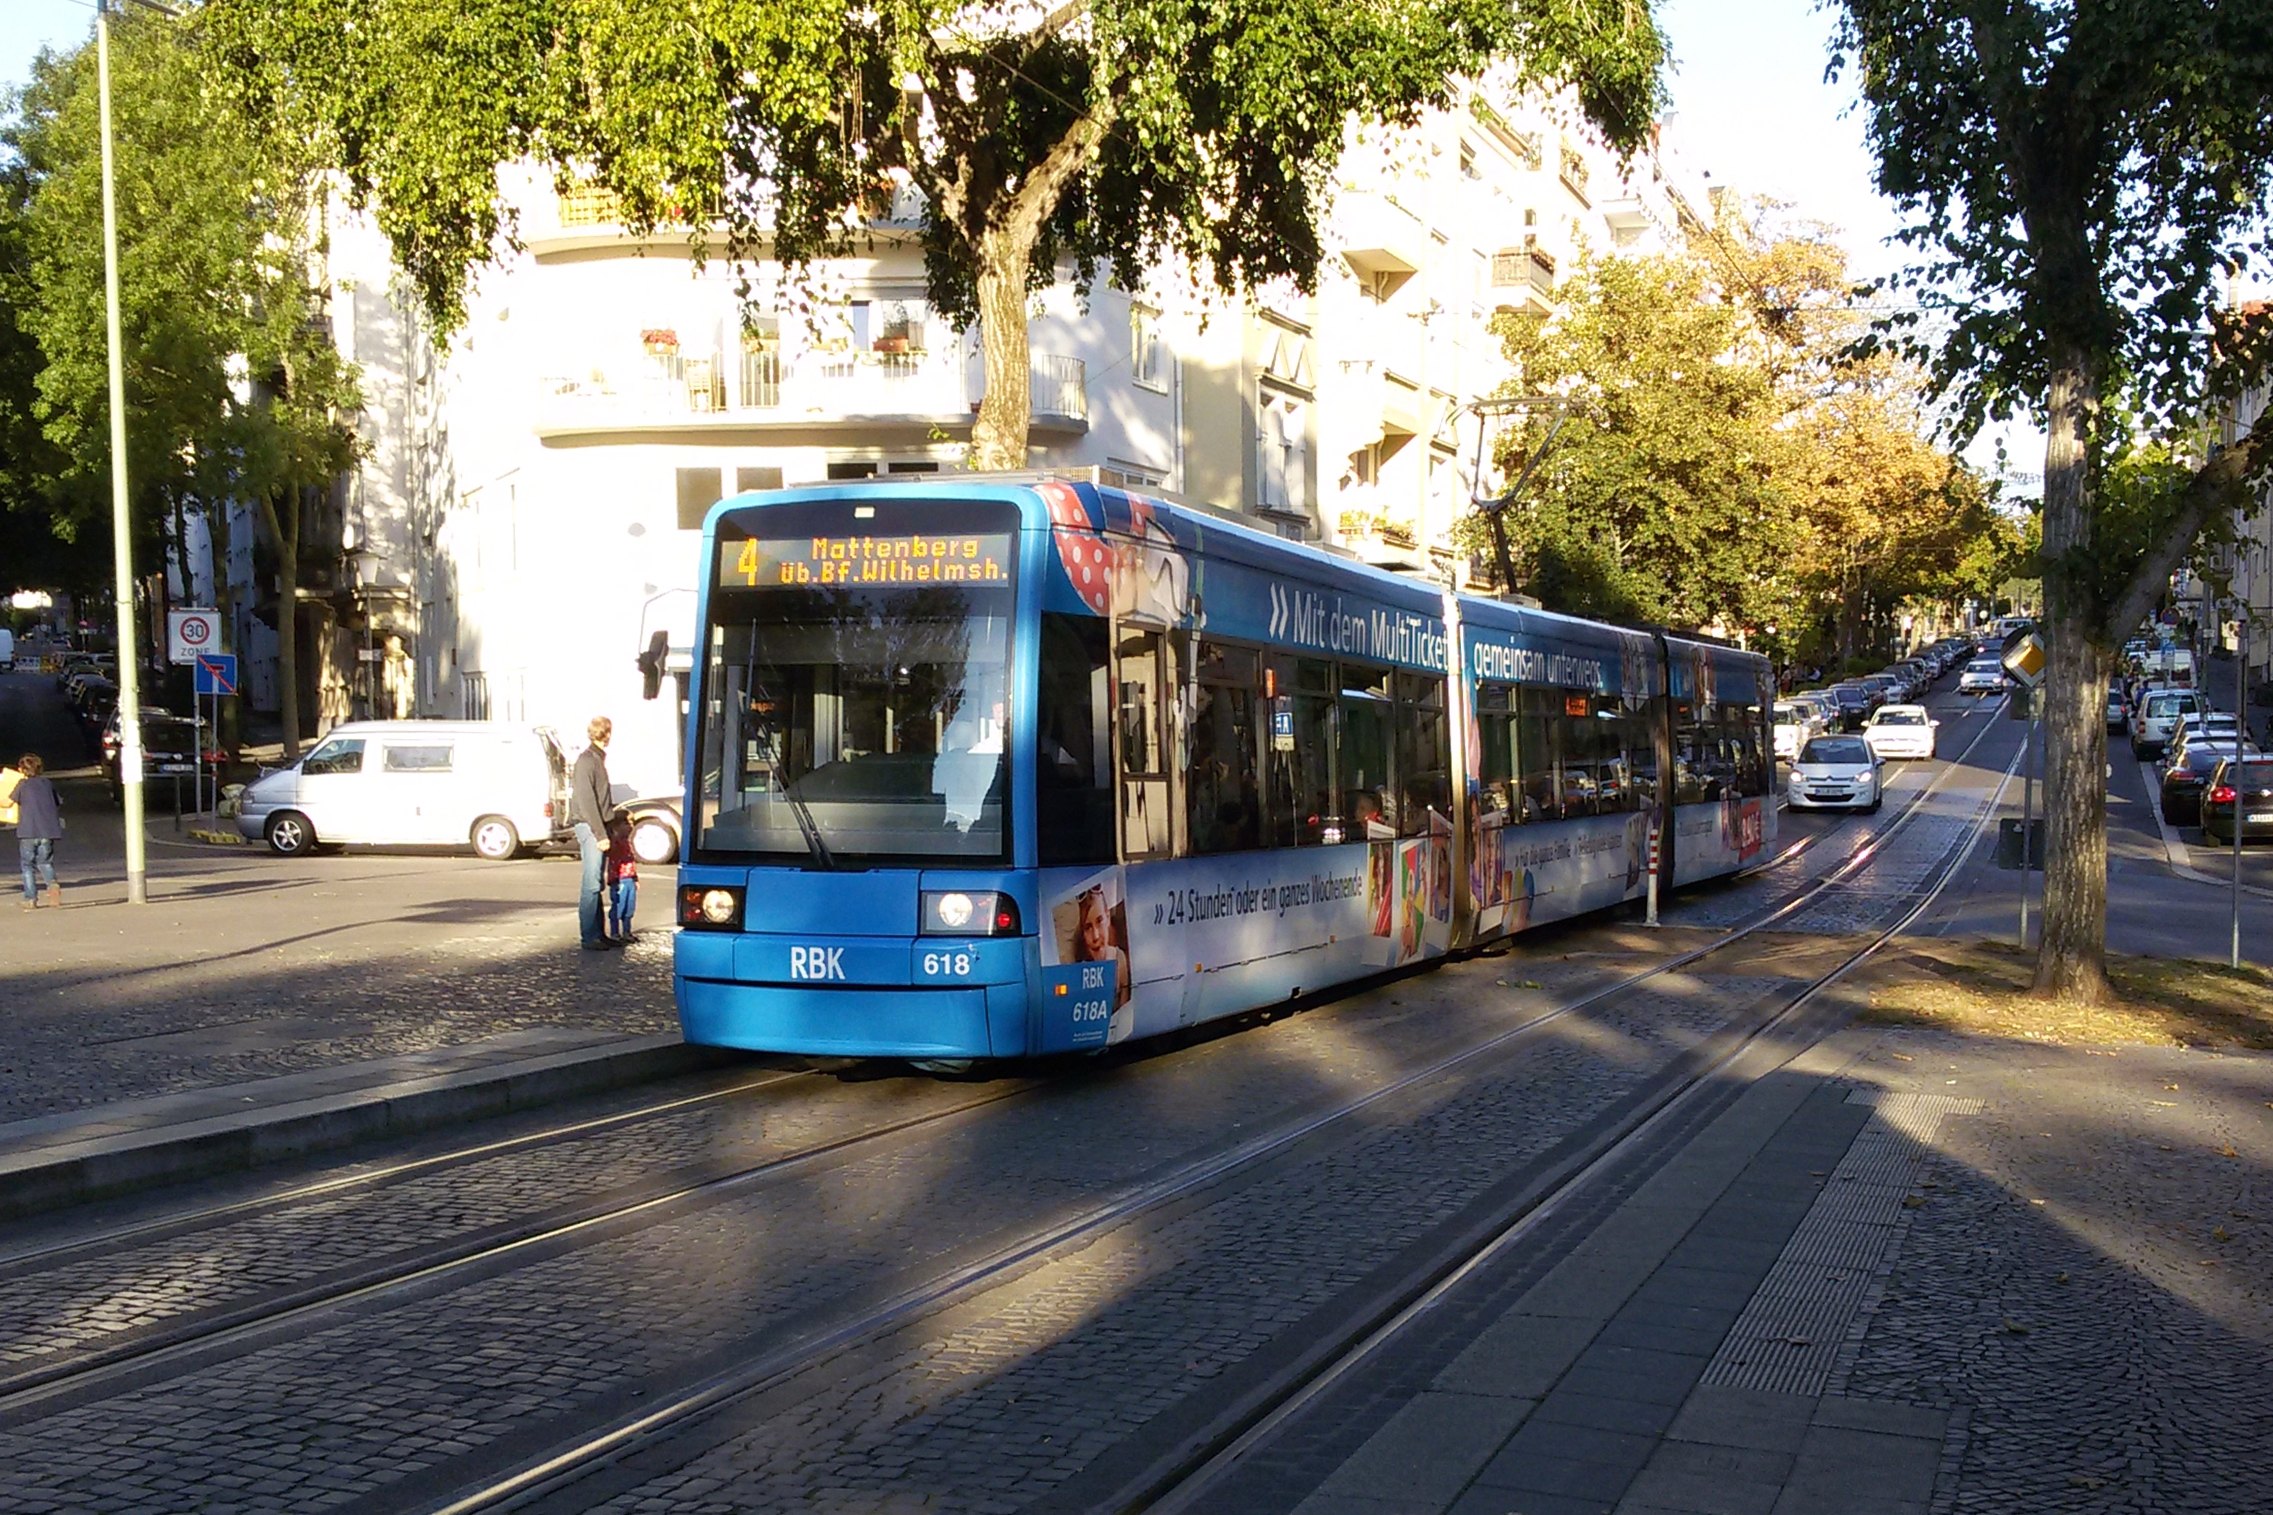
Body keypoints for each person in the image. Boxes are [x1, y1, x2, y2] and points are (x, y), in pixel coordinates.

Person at [570, 717, 617, 950]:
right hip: (591, 827)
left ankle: (598, 932)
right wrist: (601, 834)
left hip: (594, 825)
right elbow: (588, 802)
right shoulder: (588, 761)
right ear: (607, 734)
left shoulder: (593, 759)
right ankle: (590, 935)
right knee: (591, 883)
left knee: (596, 882)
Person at [12, 753, 62, 911]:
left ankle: (30, 898)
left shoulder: (22, 785)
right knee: (45, 862)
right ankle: (52, 884)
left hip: (28, 830)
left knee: (27, 865)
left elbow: (9, 800)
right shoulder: (47, 783)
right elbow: (57, 801)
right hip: (48, 830)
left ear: (22, 770)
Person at [604, 814, 639, 943]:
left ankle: (626, 931)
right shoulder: (615, 841)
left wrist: (635, 878)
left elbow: (631, 863)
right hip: (618, 878)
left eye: (631, 823)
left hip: (629, 877)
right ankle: (615, 932)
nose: (630, 826)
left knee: (629, 907)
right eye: (626, 823)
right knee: (618, 906)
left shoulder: (627, 841)